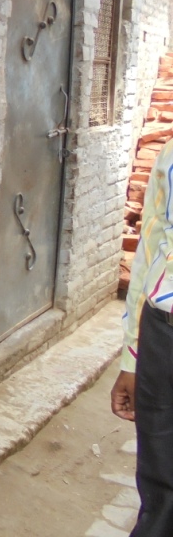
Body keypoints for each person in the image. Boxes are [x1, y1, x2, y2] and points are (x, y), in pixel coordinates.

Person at [110, 137, 173, 537]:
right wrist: (132, 357)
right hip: (163, 335)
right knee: (160, 486)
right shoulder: (170, 153)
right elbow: (150, 249)